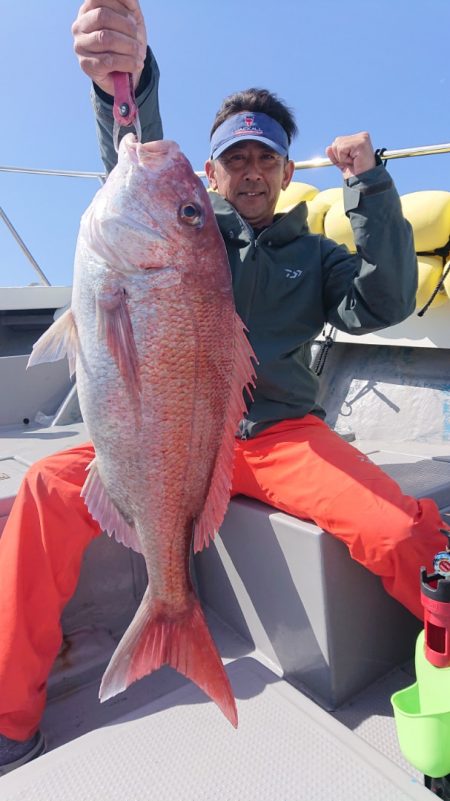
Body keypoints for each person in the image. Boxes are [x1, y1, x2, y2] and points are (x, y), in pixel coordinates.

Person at [0, 0, 448, 775]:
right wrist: (129, 78)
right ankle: (10, 718)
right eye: (232, 159)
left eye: (264, 159)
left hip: (280, 436)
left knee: (404, 531)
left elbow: (385, 301)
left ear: (282, 173)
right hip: (169, 434)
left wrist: (371, 187)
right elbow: (134, 163)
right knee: (42, 488)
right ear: (210, 176)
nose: (248, 171)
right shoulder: (188, 227)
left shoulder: (315, 256)